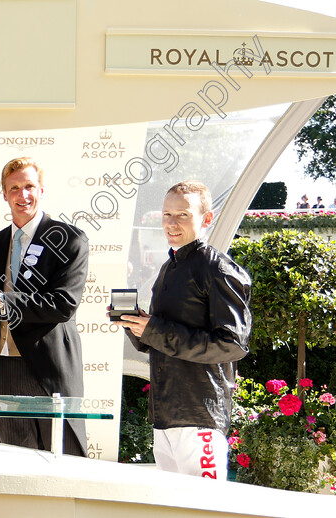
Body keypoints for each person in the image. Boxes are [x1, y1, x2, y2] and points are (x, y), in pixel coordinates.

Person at [115, 180, 251, 479]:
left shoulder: (217, 268)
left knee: (204, 509)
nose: (172, 223)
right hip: (166, 415)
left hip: (200, 414)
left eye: (183, 214)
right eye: (166, 214)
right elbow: (159, 339)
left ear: (206, 218)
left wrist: (156, 329)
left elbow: (232, 344)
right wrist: (135, 324)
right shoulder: (169, 267)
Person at [0, 157, 88, 455]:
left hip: (50, 369)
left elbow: (64, 304)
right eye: (14, 188)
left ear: (41, 189)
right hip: (4, 370)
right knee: (16, 464)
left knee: (64, 461)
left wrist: (2, 299)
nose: (23, 195)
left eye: (29, 186)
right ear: (4, 194)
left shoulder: (69, 239)